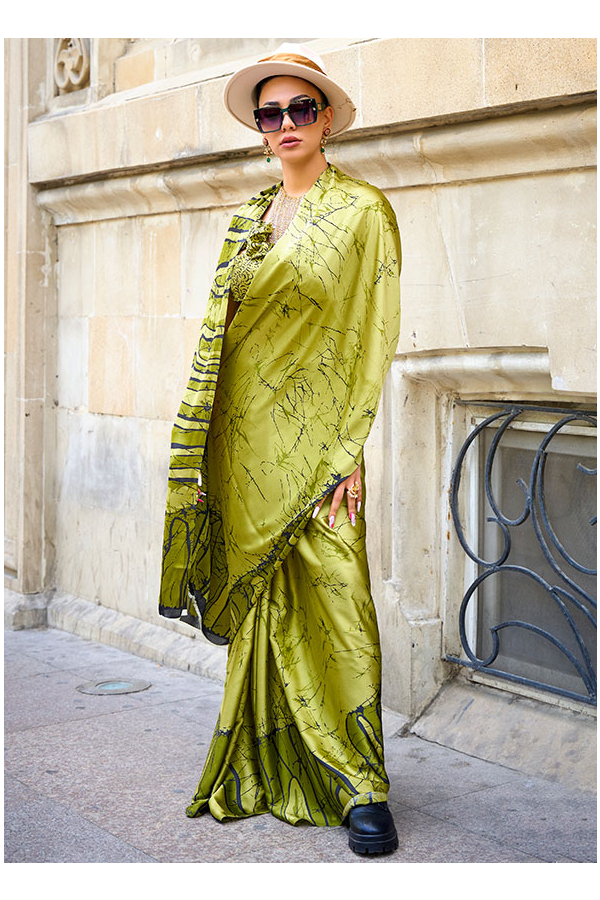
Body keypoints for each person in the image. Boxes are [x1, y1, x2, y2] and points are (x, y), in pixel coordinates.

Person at [159, 42, 401, 856]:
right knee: (265, 605)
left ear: (326, 117)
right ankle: (269, 756)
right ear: (259, 130)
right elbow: (221, 339)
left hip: (322, 442)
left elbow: (372, 334)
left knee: (339, 598)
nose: (288, 122)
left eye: (303, 108)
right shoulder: (245, 219)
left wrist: (351, 446)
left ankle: (361, 783)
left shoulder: (364, 211)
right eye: (273, 113)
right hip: (244, 440)